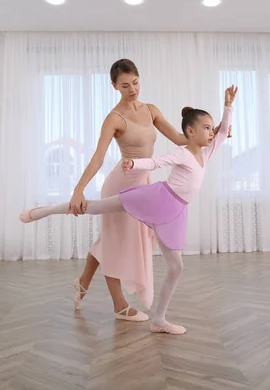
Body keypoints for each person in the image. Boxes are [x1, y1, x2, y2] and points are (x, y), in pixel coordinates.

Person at [20, 59, 230, 322]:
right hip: (123, 179)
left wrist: (213, 134)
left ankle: (83, 281)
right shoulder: (114, 118)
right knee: (117, 242)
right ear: (114, 86)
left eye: (136, 83)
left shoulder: (151, 110)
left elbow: (181, 139)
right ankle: (119, 306)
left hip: (145, 182)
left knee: (114, 238)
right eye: (125, 85)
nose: (132, 89)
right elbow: (98, 157)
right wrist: (79, 189)